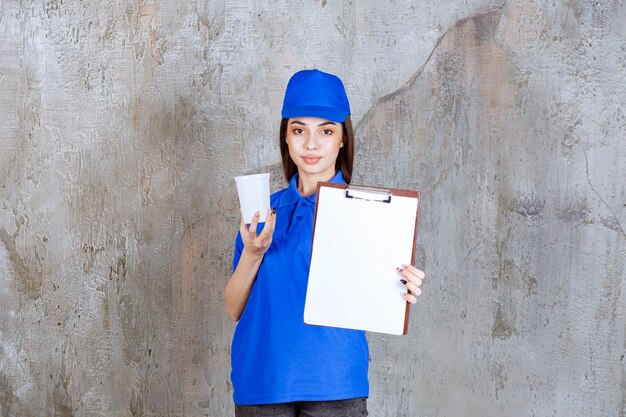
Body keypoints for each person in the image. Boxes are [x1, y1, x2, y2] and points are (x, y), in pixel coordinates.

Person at [224, 69, 426, 417]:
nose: (311, 144)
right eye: (299, 130)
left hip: (336, 382)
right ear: (286, 137)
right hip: (262, 381)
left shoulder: (369, 214)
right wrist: (254, 252)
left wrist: (402, 288)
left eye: (326, 131)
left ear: (343, 139)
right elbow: (233, 307)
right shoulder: (263, 211)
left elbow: (379, 292)